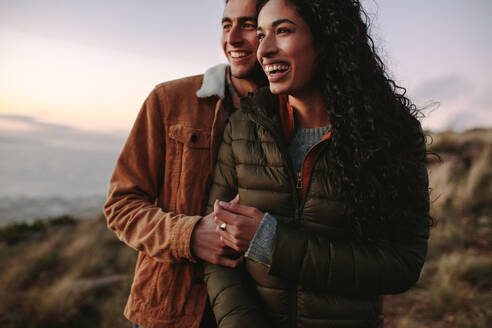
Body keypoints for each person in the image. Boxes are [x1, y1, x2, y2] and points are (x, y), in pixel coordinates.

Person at [204, 0, 431, 327]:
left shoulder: (390, 133)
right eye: (263, 33)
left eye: (282, 31)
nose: (263, 49)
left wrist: (272, 243)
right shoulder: (242, 128)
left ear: (326, 39)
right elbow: (216, 248)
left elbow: (402, 264)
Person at [103, 0, 266, 327]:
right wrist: (188, 235)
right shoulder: (169, 100)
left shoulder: (300, 111)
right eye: (225, 24)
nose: (231, 38)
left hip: (257, 311)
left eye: (247, 25)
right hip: (168, 311)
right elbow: (121, 207)